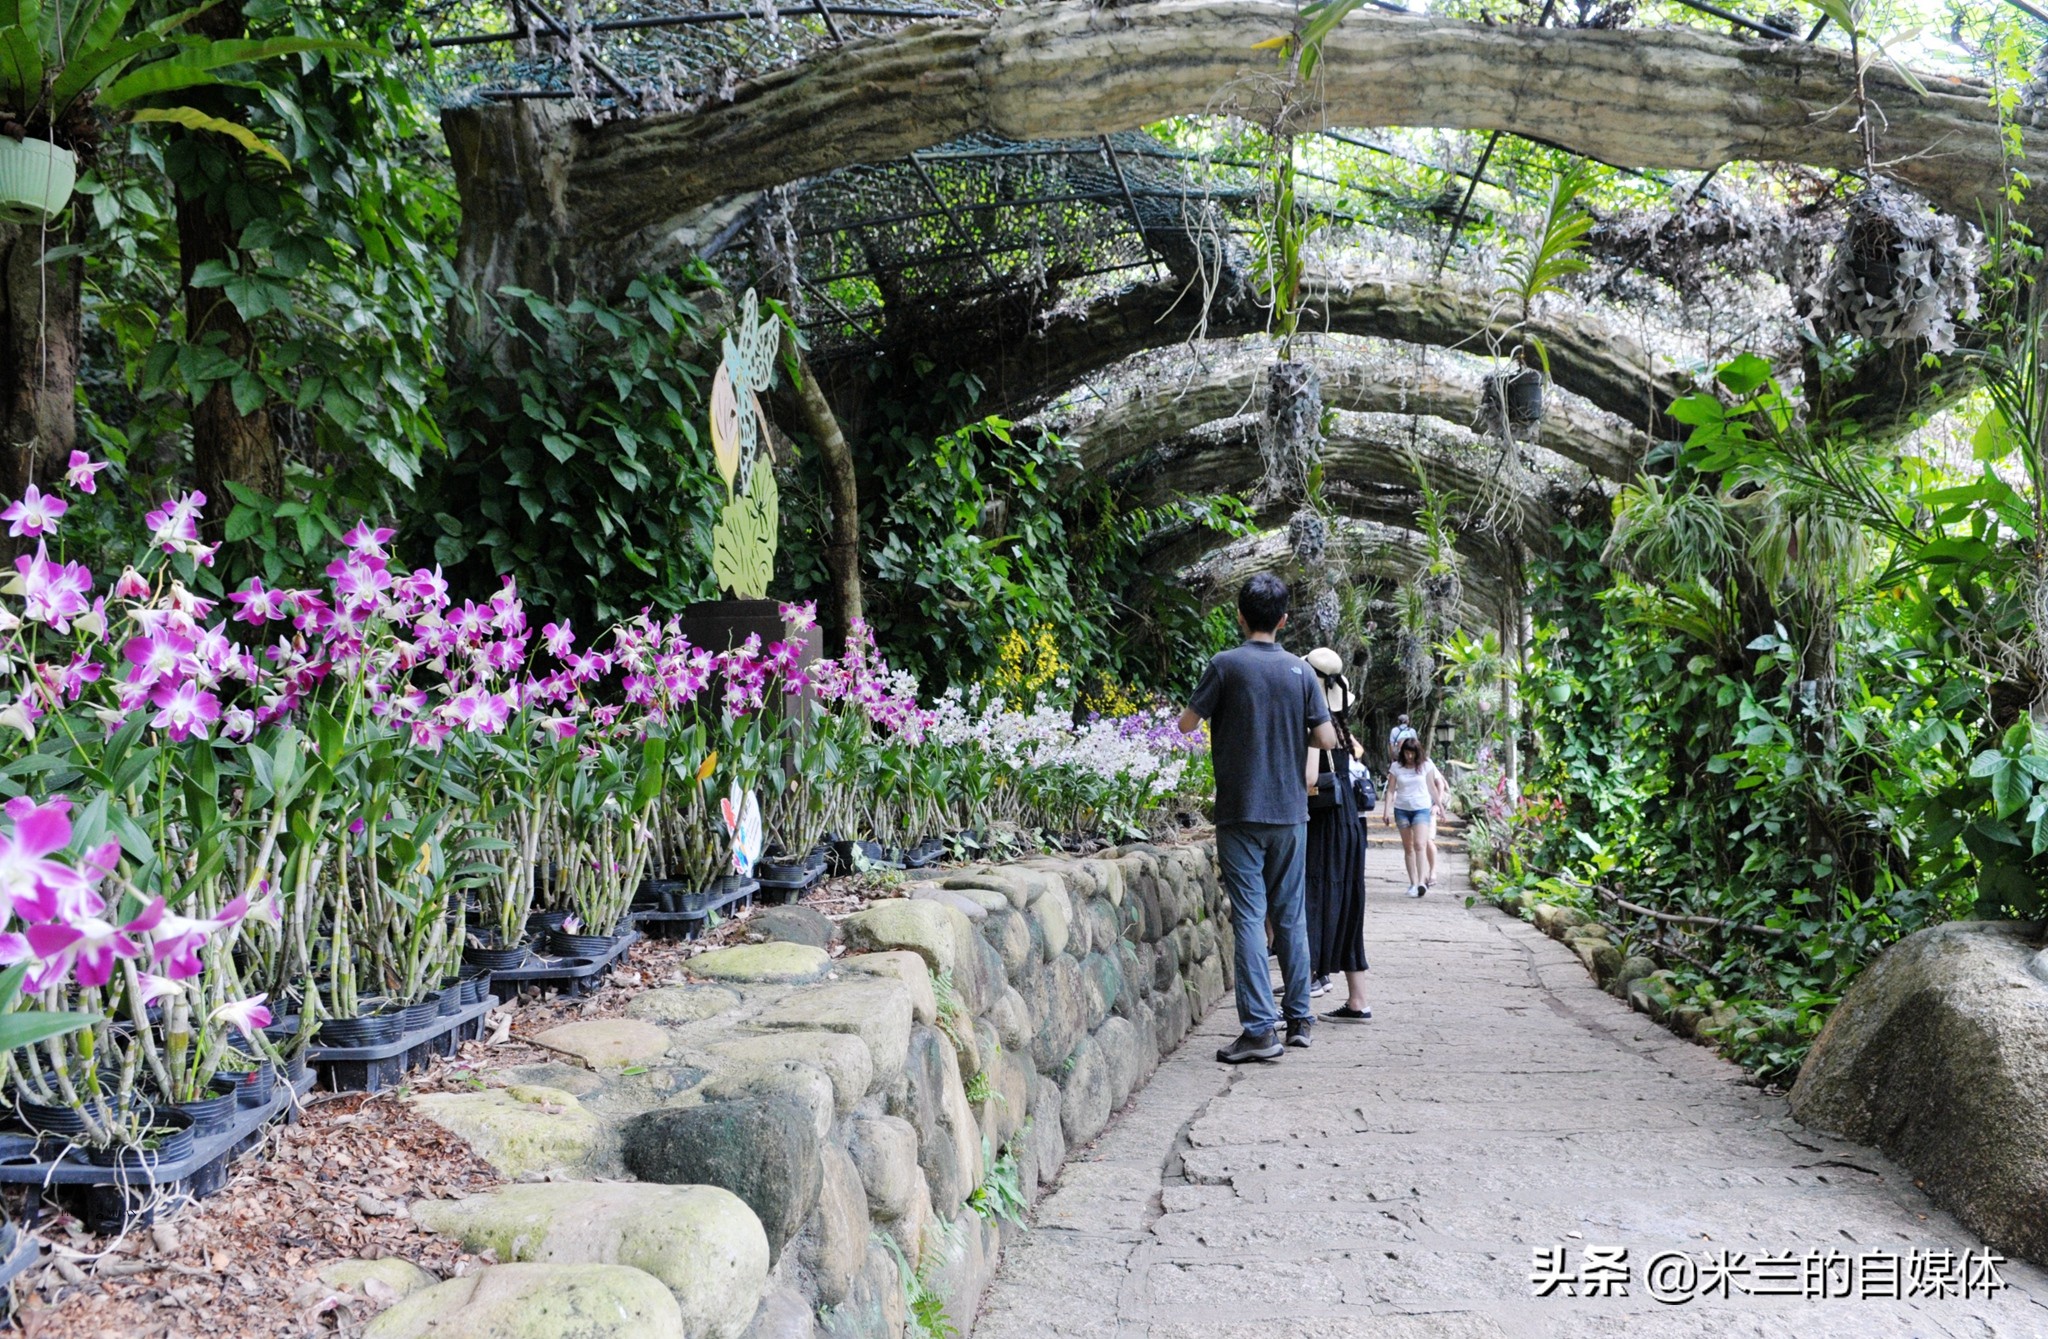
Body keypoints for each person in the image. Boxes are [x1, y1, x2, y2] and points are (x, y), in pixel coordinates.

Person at [1179, 574, 1338, 1064]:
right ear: (1285, 620)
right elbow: (1327, 739)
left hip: (1240, 811)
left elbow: (1186, 723)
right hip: (1290, 813)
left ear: (1240, 617)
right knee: (1290, 914)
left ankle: (1257, 1030)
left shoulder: (1224, 665)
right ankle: (1300, 1019)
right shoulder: (1300, 672)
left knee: (1250, 917)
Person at [1302, 648, 1372, 1022]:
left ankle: (1302, 997)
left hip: (1324, 823)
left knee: (1314, 900)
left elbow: (1310, 779)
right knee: (1348, 904)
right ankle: (1358, 1000)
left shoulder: (1317, 725)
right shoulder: (1343, 728)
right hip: (1349, 823)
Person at [1383, 735, 1449, 896]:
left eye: (1412, 753)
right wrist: (1386, 810)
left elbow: (1432, 788)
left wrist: (1439, 806)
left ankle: (1421, 882)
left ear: (1417, 752)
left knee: (1420, 844)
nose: (1409, 756)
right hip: (1402, 809)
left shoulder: (1426, 765)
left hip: (1421, 809)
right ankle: (1412, 883)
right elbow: (1391, 789)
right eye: (1406, 753)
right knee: (1408, 847)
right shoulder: (1396, 767)